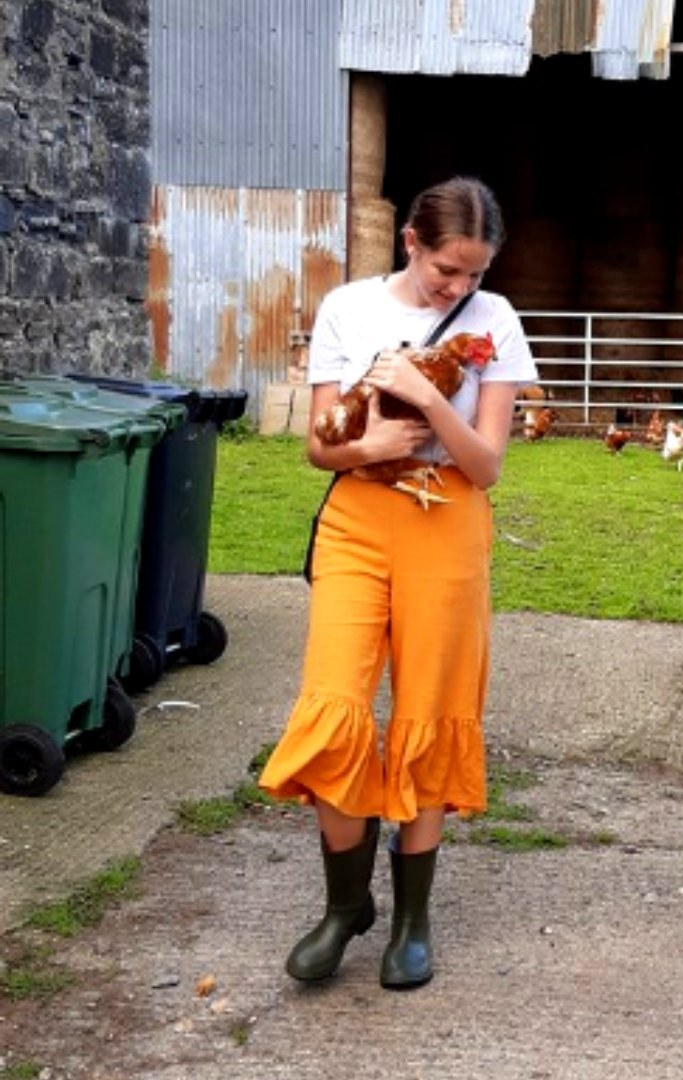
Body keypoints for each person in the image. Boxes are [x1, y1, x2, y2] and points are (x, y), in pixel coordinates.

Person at [259, 176, 538, 989]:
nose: (460, 287)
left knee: (430, 710)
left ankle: (413, 919)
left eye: (475, 273)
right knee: (332, 705)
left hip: (447, 518)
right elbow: (320, 446)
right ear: (412, 242)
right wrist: (370, 447)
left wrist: (426, 399)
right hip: (358, 516)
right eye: (448, 269)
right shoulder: (349, 308)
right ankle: (346, 907)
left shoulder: (495, 319)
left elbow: (486, 464)